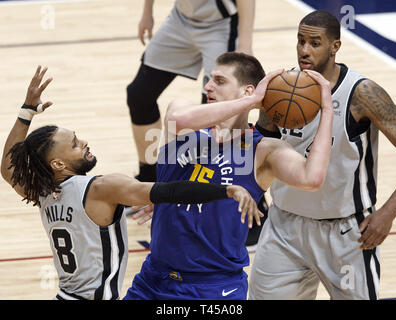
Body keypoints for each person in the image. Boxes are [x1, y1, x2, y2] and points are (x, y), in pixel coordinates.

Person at [0, 66, 262, 300]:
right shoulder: (102, 188)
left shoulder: (44, 193)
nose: (84, 143)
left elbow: (8, 169)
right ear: (58, 164)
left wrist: (25, 113)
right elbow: (170, 191)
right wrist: (226, 189)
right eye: (74, 145)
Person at [123, 51, 334, 300]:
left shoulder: (263, 151)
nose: (208, 86)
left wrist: (328, 109)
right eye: (210, 79)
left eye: (219, 81)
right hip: (153, 279)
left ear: (247, 91)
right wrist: (251, 102)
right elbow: (177, 119)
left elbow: (312, 178)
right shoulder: (183, 117)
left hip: (214, 289)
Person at [249, 10, 396, 300]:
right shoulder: (279, 88)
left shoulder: (362, 93)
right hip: (283, 227)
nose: (304, 50)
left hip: (346, 234)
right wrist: (249, 195)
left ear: (335, 46)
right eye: (300, 41)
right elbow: (259, 147)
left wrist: (387, 214)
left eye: (314, 43)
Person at [127, 0, 265, 251]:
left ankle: (255, 207)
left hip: (220, 24)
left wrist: (245, 43)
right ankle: (149, 181)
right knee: (139, 93)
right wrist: (147, 12)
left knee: (216, 114)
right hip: (180, 19)